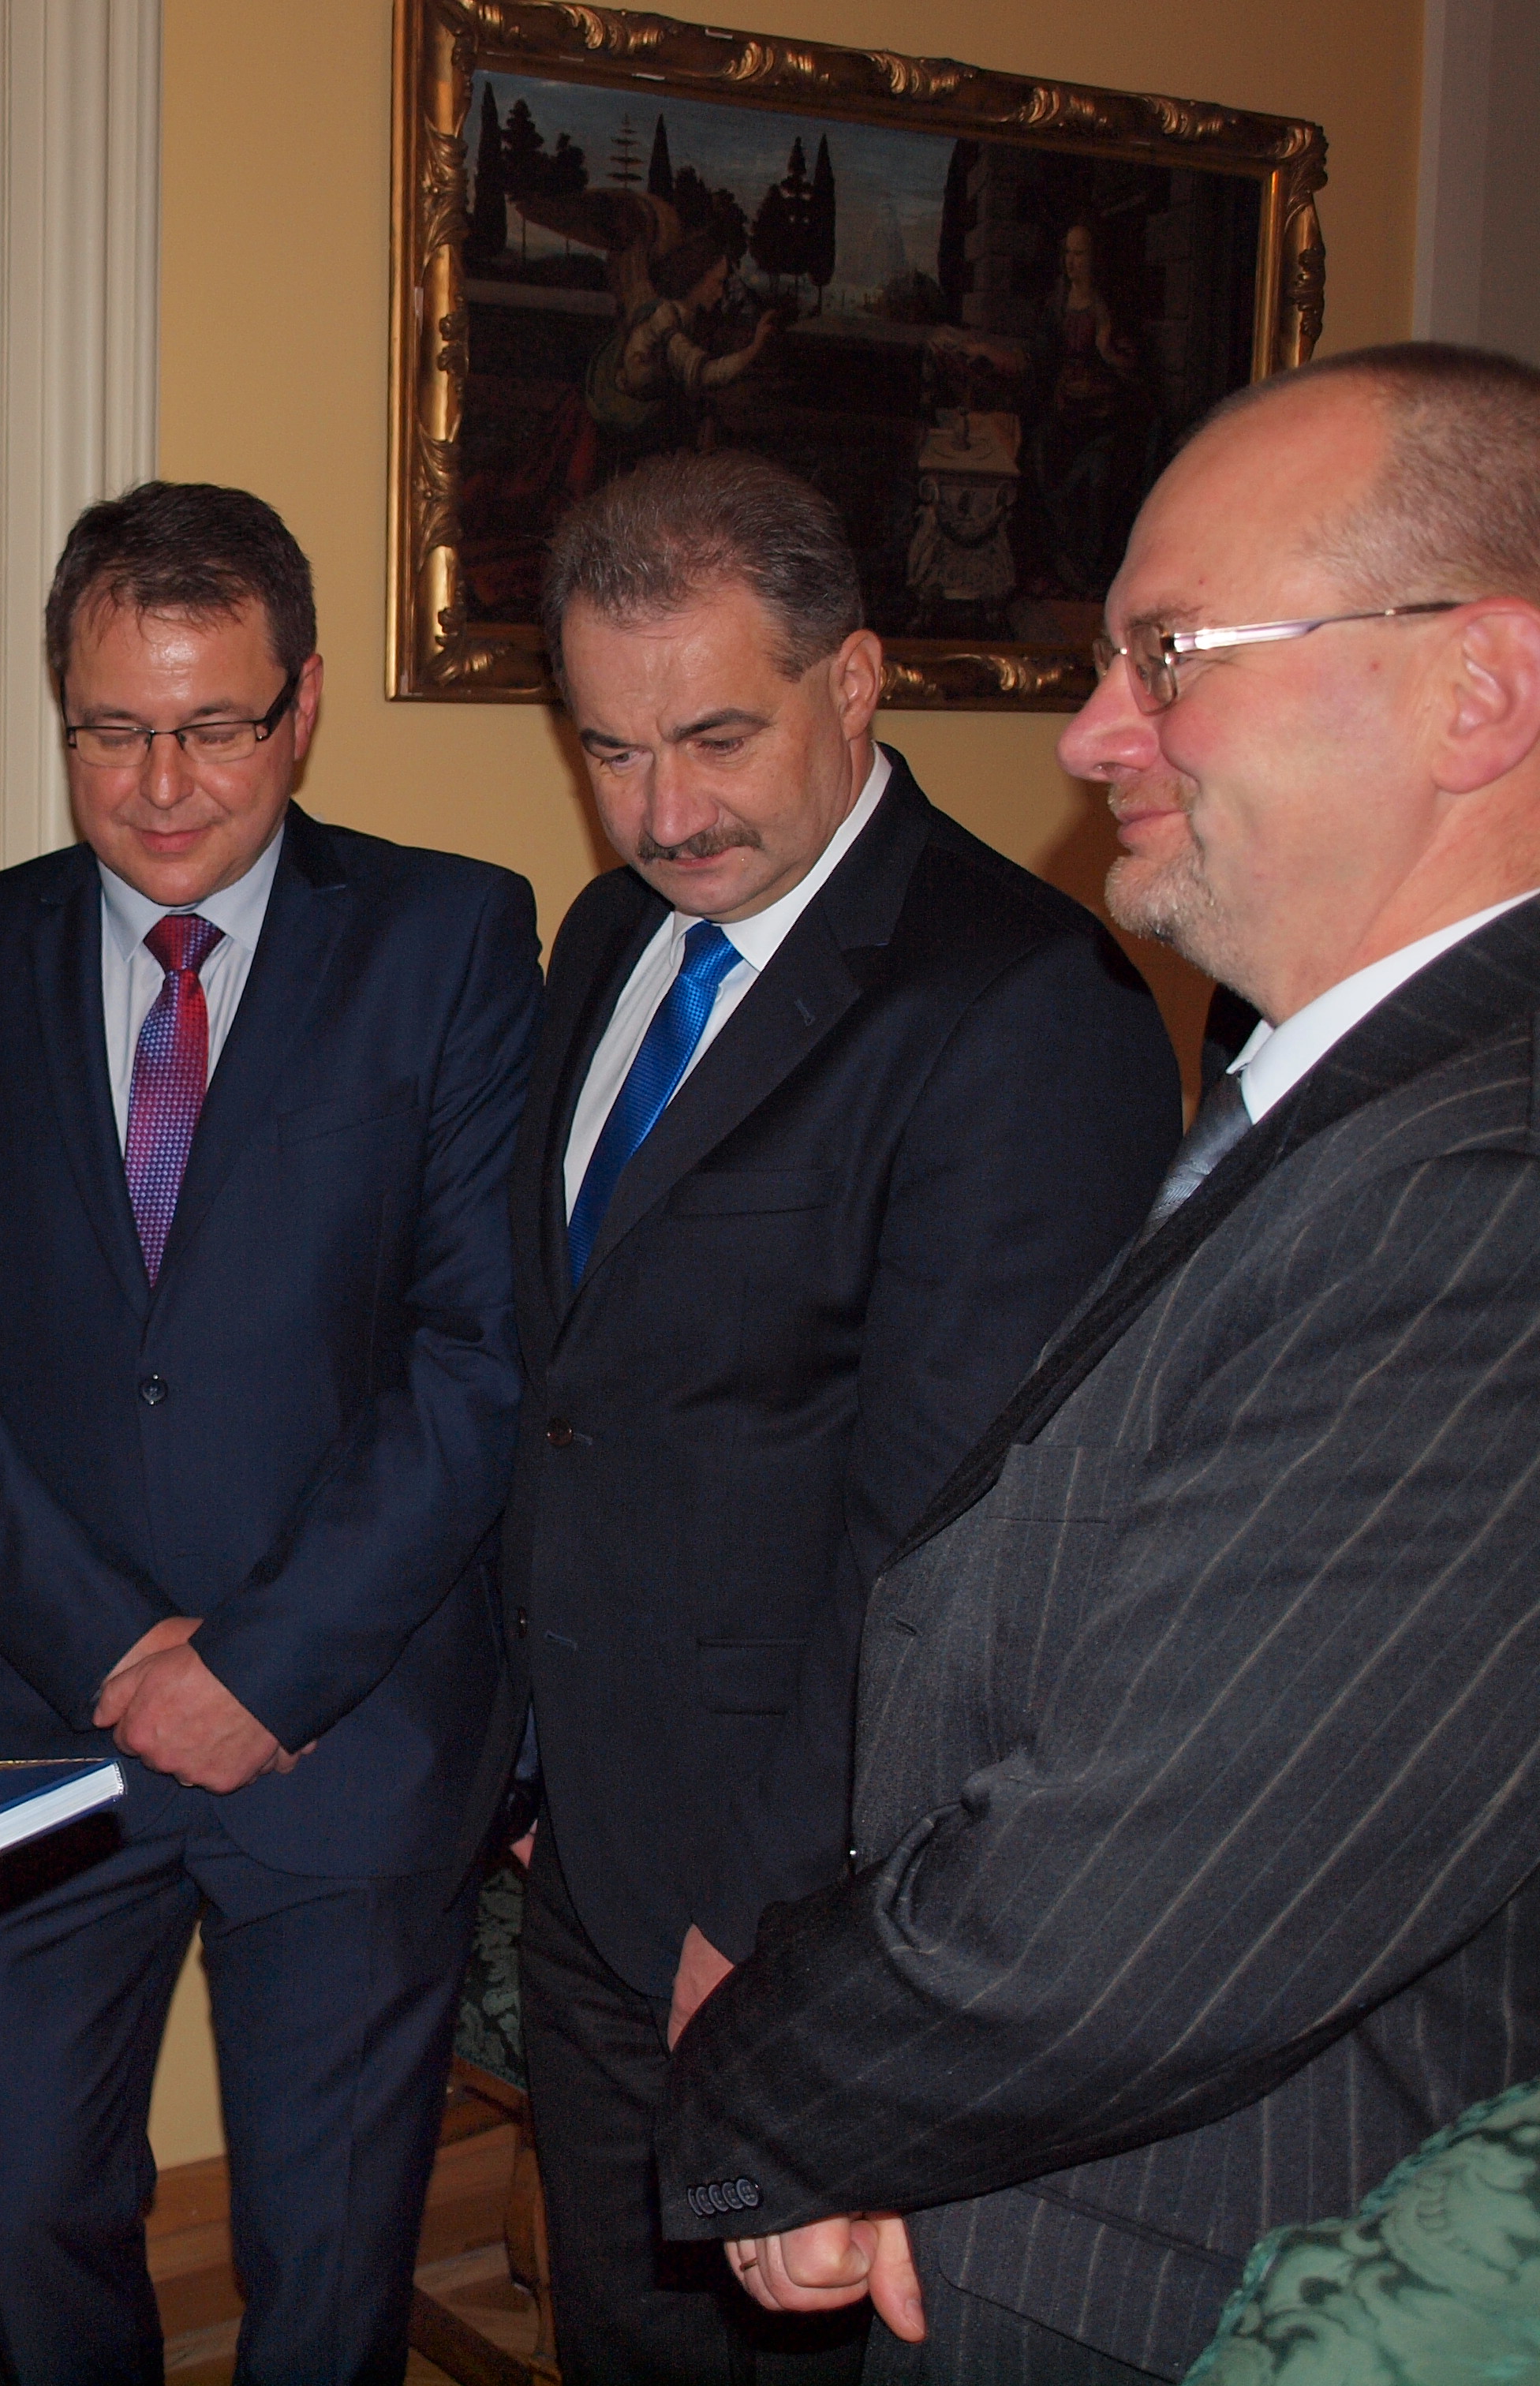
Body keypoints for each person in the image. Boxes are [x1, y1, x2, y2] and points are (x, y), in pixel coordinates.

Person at [660, 343, 1540, 2381]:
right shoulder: (1333, 1093)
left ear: (1479, 689)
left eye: (1170, 656)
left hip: (1236, 2277)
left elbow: (1143, 1900)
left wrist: (764, 2101)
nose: (1089, 731)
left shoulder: (1489, 1198)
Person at [0, 481, 545, 2385]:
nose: (161, 788)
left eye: (215, 726)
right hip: (42, 1726)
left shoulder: (451, 937)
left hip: (348, 1728)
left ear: (303, 706)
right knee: (19, 2212)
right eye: (112, 730)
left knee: (327, 2263)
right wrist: (114, 1645)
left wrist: (262, 1665)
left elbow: (478, 1352)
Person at [503, 451, 1179, 2383]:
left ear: (857, 678)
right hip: (589, 1851)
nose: (664, 811)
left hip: (804, 1898)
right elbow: (577, 1391)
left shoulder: (1019, 1003)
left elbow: (945, 1541)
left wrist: (760, 1909)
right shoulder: (610, 938)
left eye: (717, 737)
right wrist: (539, 1771)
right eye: (612, 749)